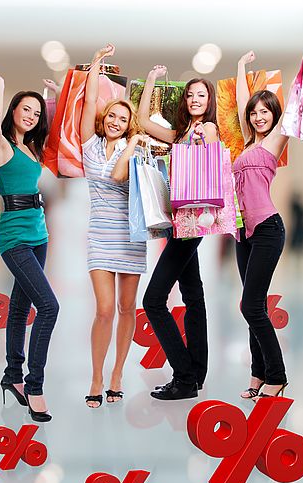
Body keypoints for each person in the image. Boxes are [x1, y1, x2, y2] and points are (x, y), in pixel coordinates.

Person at [137, 65, 219, 400]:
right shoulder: (182, 132)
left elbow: (209, 159)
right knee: (193, 295)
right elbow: (143, 122)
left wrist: (198, 141)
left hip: (193, 221)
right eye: (190, 95)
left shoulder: (208, 129)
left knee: (153, 299)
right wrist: (153, 80)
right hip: (180, 221)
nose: (195, 99)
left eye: (201, 95)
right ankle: (196, 374)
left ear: (210, 100)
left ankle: (184, 375)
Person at [79, 44, 150, 408]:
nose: (115, 122)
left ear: (128, 125)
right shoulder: (89, 145)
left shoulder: (133, 148)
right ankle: (96, 376)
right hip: (100, 235)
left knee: (126, 308)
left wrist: (133, 142)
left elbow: (124, 177)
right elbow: (89, 102)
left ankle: (118, 373)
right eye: (112, 117)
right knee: (104, 309)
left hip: (130, 234)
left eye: (123, 120)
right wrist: (95, 65)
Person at [0, 68, 56, 422]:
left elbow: (59, 134)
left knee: (20, 308)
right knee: (49, 307)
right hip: (13, 236)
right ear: (12, 110)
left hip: (39, 234)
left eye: (36, 112)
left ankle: (12, 375)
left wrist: (54, 97)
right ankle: (35, 384)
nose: (30, 116)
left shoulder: (31, 148)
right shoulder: (0, 145)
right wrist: (0, 84)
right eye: (25, 109)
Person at [233, 51, 290, 400]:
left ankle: (278, 375)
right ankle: (258, 374)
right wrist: (240, 67)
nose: (257, 117)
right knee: (253, 305)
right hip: (244, 232)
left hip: (268, 228)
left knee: (251, 306)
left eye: (264, 112)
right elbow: (243, 102)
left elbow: (294, 104)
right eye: (254, 113)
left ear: (275, 116)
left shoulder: (275, 140)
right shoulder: (248, 142)